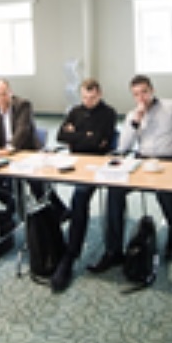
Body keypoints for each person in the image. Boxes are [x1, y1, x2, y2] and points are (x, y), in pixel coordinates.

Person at [89, 76, 172, 273]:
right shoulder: (133, 115)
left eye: (144, 92)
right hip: (143, 161)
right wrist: (135, 122)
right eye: (136, 94)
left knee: (166, 193)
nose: (141, 97)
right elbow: (123, 147)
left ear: (152, 90)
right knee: (115, 190)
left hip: (170, 159)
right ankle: (113, 250)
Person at [51, 79, 119, 293]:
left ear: (100, 94)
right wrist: (86, 136)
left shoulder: (109, 113)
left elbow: (100, 141)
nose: (88, 101)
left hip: (99, 165)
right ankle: (68, 251)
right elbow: (60, 136)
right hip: (76, 163)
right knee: (55, 189)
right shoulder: (75, 111)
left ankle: (73, 254)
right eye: (84, 97)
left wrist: (76, 136)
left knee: (81, 197)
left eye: (92, 97)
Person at [0, 79, 43, 221]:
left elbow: (22, 131)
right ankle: (15, 203)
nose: (1, 99)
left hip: (26, 151)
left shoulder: (23, 105)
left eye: (4, 94)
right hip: (4, 156)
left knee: (32, 181)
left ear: (10, 92)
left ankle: (49, 211)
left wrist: (8, 150)